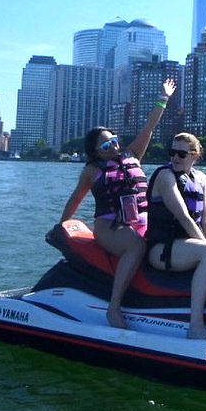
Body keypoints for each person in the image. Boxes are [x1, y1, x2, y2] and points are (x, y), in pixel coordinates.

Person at [59, 78, 176, 329]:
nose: (113, 145)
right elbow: (77, 197)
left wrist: (163, 98)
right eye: (105, 144)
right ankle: (114, 309)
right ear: (96, 152)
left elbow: (149, 128)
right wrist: (62, 224)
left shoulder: (132, 155)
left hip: (142, 222)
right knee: (135, 248)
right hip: (110, 227)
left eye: (113, 140)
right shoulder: (92, 171)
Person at [144, 132, 206, 339]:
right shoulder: (165, 176)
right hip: (161, 249)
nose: (175, 158)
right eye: (172, 153)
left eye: (181, 154)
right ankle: (195, 326)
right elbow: (184, 217)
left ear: (195, 155)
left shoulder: (202, 179)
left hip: (187, 245)